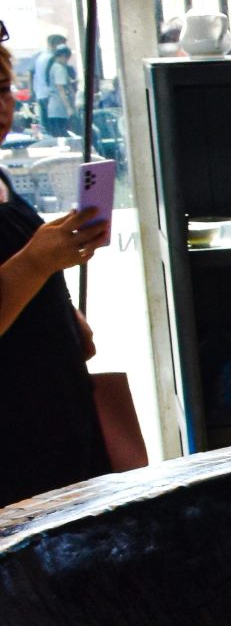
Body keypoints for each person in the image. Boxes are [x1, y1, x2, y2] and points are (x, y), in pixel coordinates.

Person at [0, 32, 109, 508]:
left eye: (3, 89)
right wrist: (38, 259)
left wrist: (69, 319)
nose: (1, 105)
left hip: (57, 418)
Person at [31, 32, 76, 138]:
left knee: (49, 129)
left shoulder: (40, 57)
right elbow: (58, 84)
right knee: (60, 131)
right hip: (51, 96)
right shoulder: (53, 61)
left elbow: (33, 74)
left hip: (41, 94)